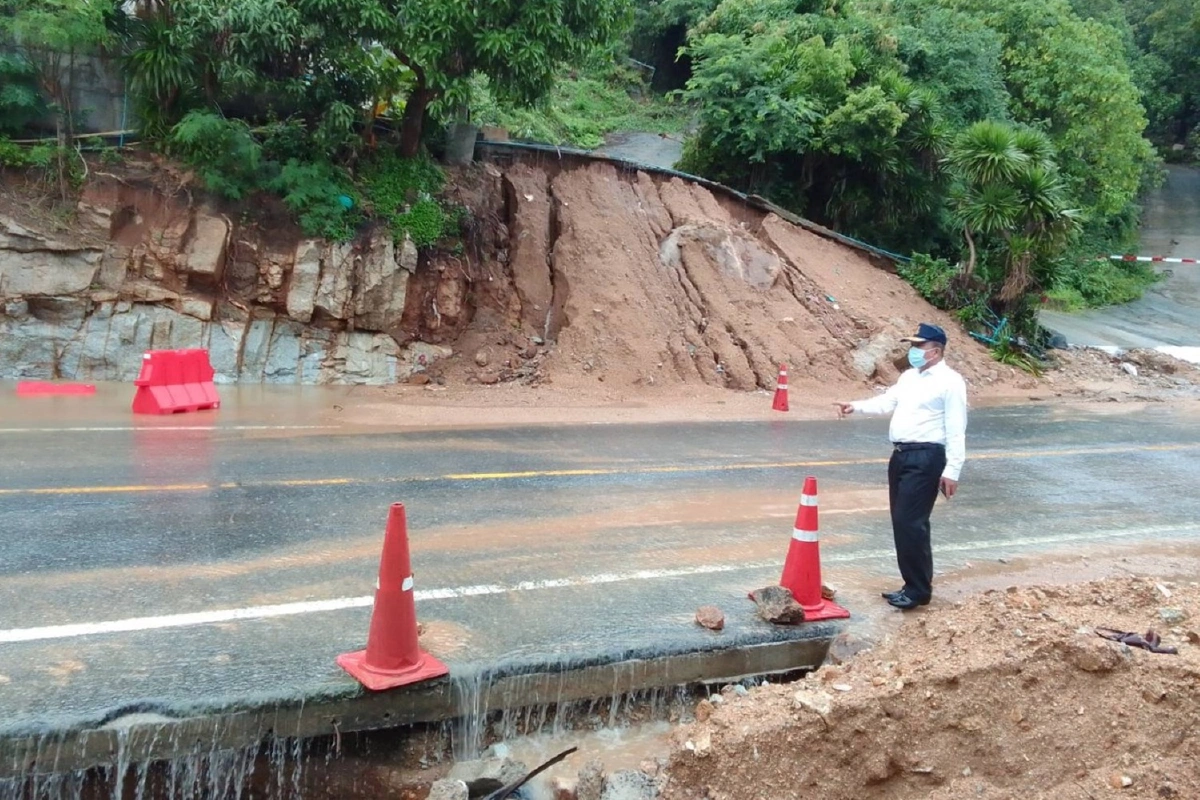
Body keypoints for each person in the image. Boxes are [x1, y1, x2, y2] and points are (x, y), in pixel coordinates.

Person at [834, 323, 967, 610]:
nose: (913, 351)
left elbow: (957, 429)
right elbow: (886, 402)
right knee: (903, 522)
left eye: (918, 347)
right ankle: (912, 584)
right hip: (901, 455)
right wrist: (855, 406)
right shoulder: (909, 377)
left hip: (927, 457)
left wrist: (952, 470)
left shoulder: (950, 382)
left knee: (911, 523)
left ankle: (919, 590)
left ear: (935, 351)